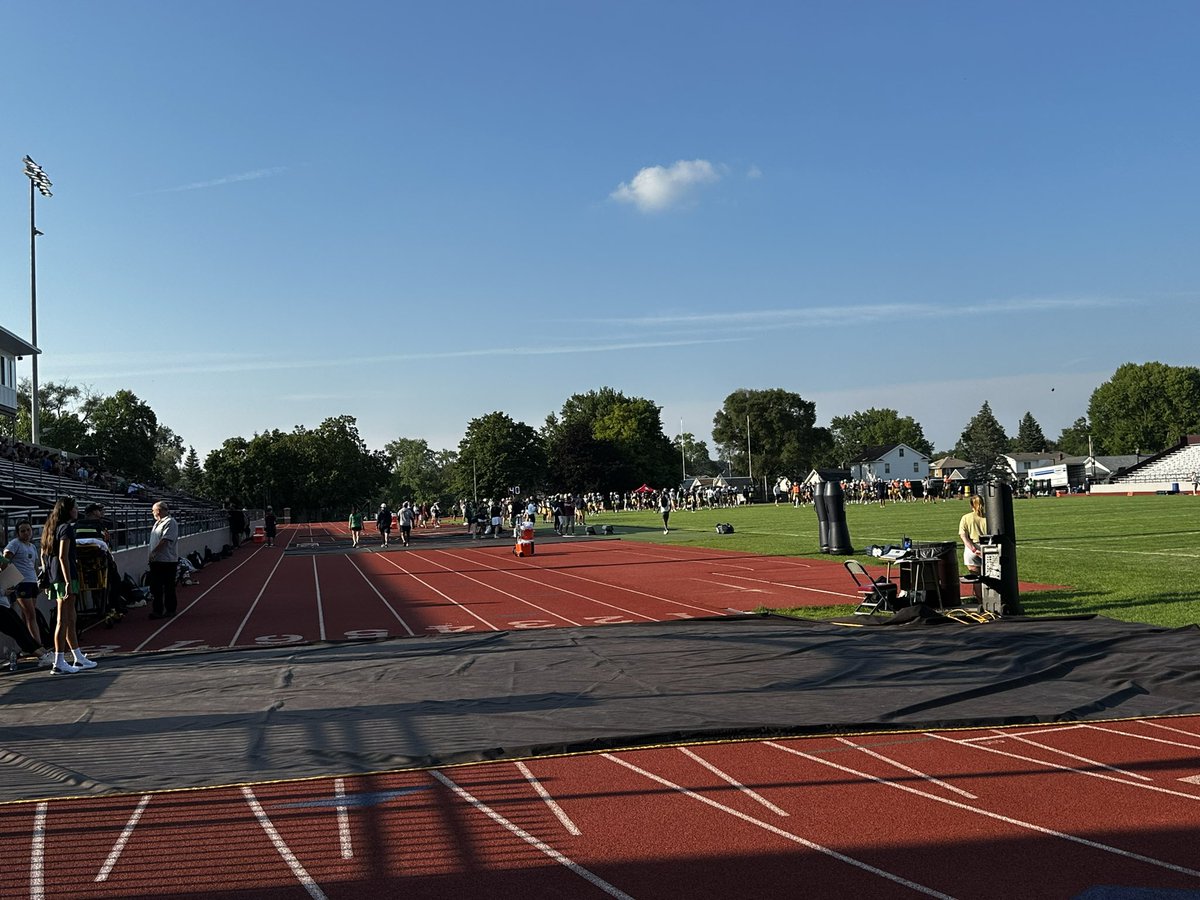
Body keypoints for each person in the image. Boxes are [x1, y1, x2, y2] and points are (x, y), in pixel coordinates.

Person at [39, 497, 95, 673]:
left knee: (71, 618)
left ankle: (77, 657)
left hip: (57, 577)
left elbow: (43, 555)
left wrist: (49, 577)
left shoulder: (50, 528)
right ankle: (59, 662)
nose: (77, 510)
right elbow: (63, 556)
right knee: (62, 620)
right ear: (68, 510)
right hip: (65, 577)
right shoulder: (66, 529)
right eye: (75, 508)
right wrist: (68, 582)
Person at [4, 520, 44, 649]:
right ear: (18, 533)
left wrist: (38, 581)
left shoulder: (31, 546)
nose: (26, 533)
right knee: (31, 615)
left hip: (31, 582)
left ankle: (28, 646)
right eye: (23, 531)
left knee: (27, 615)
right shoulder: (15, 544)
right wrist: (10, 580)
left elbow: (35, 566)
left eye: (28, 530)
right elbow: (5, 560)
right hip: (21, 583)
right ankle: (38, 645)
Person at [148, 500, 180, 620]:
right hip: (156, 560)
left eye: (153, 510)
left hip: (167, 560)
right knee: (155, 587)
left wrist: (154, 552)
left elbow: (165, 540)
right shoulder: (157, 523)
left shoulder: (170, 522)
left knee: (168, 586)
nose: (152, 512)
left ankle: (170, 609)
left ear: (159, 511)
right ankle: (157, 610)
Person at [958, 494, 988, 583]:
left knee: (976, 579)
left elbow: (963, 536)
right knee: (991, 578)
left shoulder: (966, 518)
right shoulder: (990, 517)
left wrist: (973, 549)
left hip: (972, 549)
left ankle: (979, 597)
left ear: (971, 505)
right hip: (988, 548)